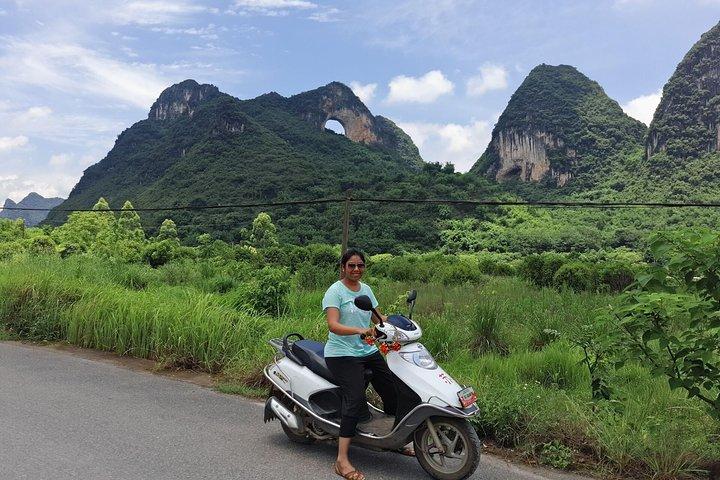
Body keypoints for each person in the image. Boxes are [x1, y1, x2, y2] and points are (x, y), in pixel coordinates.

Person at [322, 248, 400, 480]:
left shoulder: (366, 290)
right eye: (351, 266)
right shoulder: (335, 291)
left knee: (393, 389)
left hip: (367, 350)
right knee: (354, 398)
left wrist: (398, 322)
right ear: (343, 267)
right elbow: (333, 325)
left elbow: (378, 318)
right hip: (341, 353)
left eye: (360, 266)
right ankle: (341, 460)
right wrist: (361, 330)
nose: (356, 270)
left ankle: (393, 440)